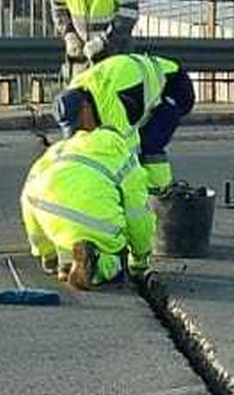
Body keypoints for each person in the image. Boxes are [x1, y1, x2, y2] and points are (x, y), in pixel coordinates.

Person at [19, 89, 155, 290]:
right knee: (114, 257)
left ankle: (65, 262)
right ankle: (98, 263)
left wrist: (46, 254)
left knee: (67, 239)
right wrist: (140, 259)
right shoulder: (118, 149)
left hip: (49, 216)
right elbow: (136, 212)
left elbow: (27, 197)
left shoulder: (57, 150)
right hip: (96, 222)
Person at [69, 47, 196, 193]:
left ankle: (161, 194)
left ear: (86, 108)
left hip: (175, 86)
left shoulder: (113, 108)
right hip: (139, 84)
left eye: (82, 124)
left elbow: (127, 155)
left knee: (150, 144)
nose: (84, 129)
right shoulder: (75, 90)